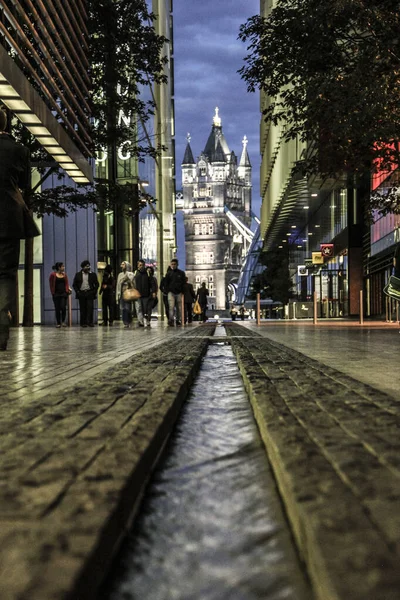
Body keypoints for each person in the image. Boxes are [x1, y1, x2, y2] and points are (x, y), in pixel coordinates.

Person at [0, 108, 40, 350]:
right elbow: (25, 184)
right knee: (5, 274)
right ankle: (1, 327)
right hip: (9, 219)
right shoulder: (19, 150)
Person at [72, 260, 99, 327]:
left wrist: (94, 292)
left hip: (90, 292)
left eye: (89, 266)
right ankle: (83, 323)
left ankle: (90, 322)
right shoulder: (78, 274)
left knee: (90, 308)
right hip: (81, 293)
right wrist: (77, 292)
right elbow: (74, 284)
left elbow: (97, 284)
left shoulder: (93, 274)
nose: (88, 267)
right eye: (86, 266)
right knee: (82, 309)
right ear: (83, 267)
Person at [164, 258, 186, 326]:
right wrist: (167, 291)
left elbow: (183, 283)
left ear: (177, 265)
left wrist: (182, 291)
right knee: (171, 307)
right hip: (171, 292)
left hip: (179, 292)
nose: (173, 265)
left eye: (174, 264)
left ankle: (178, 320)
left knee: (179, 307)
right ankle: (171, 320)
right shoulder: (169, 274)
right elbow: (166, 283)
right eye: (172, 264)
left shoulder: (181, 273)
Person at [133, 259, 154, 328]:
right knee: (138, 308)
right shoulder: (135, 273)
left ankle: (146, 320)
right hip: (137, 294)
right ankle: (140, 321)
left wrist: (153, 291)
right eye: (139, 265)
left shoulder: (147, 273)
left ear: (144, 265)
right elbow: (133, 283)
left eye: (141, 265)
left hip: (145, 294)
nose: (140, 266)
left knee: (145, 308)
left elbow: (151, 283)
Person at [49, 262, 71, 328]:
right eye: (62, 266)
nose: (64, 267)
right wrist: (53, 293)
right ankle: (58, 323)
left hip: (64, 294)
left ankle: (63, 321)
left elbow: (66, 283)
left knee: (63, 307)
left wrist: (67, 290)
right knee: (57, 308)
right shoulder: (53, 275)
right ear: (59, 267)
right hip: (56, 294)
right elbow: (51, 284)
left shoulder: (64, 275)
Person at [116, 260, 134, 328]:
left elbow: (131, 281)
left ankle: (128, 321)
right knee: (123, 308)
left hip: (128, 293)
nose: (121, 266)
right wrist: (118, 294)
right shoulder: (120, 274)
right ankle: (125, 321)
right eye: (121, 264)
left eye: (123, 264)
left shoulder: (130, 274)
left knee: (127, 308)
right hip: (122, 293)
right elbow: (118, 284)